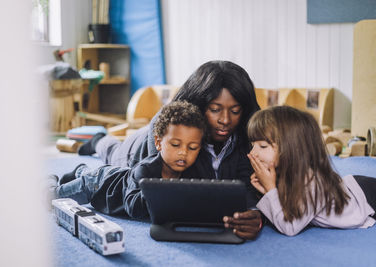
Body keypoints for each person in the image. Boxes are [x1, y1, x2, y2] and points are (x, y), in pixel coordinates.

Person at [79, 60, 263, 240]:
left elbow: (247, 185)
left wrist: (253, 213)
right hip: (135, 150)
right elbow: (157, 192)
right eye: (215, 109)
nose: (225, 120)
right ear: (199, 105)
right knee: (113, 151)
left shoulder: (245, 133)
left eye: (235, 111)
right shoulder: (164, 135)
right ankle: (98, 140)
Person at [48, 101, 207, 218]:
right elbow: (132, 207)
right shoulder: (145, 169)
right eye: (175, 145)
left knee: (100, 173)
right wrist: (164, 194)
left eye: (192, 147)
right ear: (158, 143)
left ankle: (80, 170)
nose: (183, 153)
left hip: (114, 175)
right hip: (97, 186)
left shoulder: (192, 174)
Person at [243, 105, 376, 236]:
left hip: (365, 196)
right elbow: (285, 209)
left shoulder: (313, 183)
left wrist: (270, 189)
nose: (252, 153)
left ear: (291, 148)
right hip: (353, 187)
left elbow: (289, 227)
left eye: (262, 146)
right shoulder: (285, 172)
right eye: (252, 145)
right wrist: (267, 190)